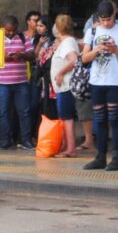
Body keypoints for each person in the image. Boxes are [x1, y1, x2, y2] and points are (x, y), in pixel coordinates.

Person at [80, 0, 118, 171]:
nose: (105, 23)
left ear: (114, 15)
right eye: (102, 20)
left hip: (114, 82)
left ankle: (117, 159)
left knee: (114, 119)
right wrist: (97, 50)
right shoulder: (92, 31)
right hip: (96, 81)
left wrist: (116, 51)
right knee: (99, 119)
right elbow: (84, 58)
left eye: (108, 19)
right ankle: (100, 157)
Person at [0, 15, 35, 150]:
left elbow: (32, 55)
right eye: (8, 30)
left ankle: (26, 140)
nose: (11, 33)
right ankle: (5, 141)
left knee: (24, 112)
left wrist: (21, 55)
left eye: (13, 30)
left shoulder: (24, 38)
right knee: (3, 113)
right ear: (2, 28)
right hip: (2, 82)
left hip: (21, 82)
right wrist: (3, 57)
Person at [49, 14, 79, 157]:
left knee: (67, 118)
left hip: (66, 85)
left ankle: (70, 149)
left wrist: (60, 72)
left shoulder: (67, 43)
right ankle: (68, 146)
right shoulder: (67, 41)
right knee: (65, 116)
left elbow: (73, 60)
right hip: (63, 86)